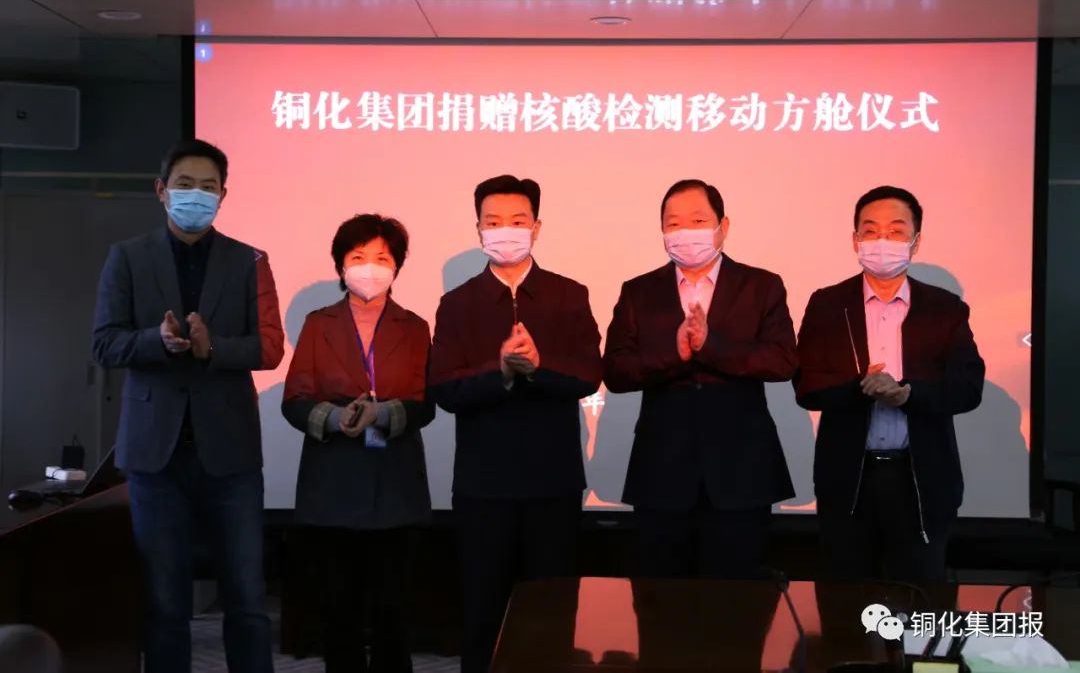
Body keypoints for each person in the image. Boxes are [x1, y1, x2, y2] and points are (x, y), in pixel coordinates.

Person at [92, 139, 284, 673]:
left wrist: (213, 347)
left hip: (230, 454)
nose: (195, 195)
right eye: (184, 185)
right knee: (164, 602)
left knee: (246, 599)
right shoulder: (127, 257)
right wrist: (155, 341)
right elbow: (104, 343)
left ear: (223, 195)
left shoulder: (249, 260)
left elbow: (270, 347)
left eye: (207, 187)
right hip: (155, 456)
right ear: (161, 190)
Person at [427, 175, 602, 673]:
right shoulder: (458, 302)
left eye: (517, 221)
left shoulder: (569, 295)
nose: (505, 231)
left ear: (537, 227)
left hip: (553, 482)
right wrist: (500, 372)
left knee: (552, 611)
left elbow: (589, 374)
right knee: (483, 613)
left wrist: (539, 367)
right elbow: (445, 390)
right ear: (478, 229)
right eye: (494, 222)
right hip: (483, 485)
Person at [603, 179, 797, 579]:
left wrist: (712, 346)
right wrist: (674, 354)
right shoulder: (639, 291)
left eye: (697, 221)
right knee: (660, 601)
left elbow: (782, 362)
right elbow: (616, 372)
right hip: (661, 471)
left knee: (739, 601)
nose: (684, 232)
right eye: (673, 224)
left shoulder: (761, 286)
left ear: (723, 226)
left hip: (741, 470)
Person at [794, 185, 985, 583]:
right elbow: (806, 386)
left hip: (921, 481)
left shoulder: (945, 308)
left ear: (916, 241)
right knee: (845, 601)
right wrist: (860, 388)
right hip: (848, 480)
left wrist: (908, 394)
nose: (882, 240)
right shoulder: (828, 304)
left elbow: (968, 388)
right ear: (855, 240)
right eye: (871, 230)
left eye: (896, 231)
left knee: (919, 599)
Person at [282, 213, 433, 673]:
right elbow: (295, 401)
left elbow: (425, 404)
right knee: (339, 614)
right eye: (358, 256)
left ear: (397, 266)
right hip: (332, 485)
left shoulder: (414, 326)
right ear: (341, 265)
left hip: (396, 486)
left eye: (382, 258)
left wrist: (381, 414)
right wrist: (335, 418)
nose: (370, 267)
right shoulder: (318, 324)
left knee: (393, 614)